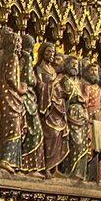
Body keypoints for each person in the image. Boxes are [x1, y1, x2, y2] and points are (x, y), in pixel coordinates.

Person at [0, 29, 24, 173]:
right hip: (11, 96)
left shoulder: (2, 56)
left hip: (5, 96)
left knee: (8, 125)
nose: (19, 45)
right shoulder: (12, 57)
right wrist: (20, 89)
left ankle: (6, 159)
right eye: (17, 42)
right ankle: (6, 159)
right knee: (14, 125)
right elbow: (12, 78)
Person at [36, 42, 67, 176]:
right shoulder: (38, 68)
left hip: (58, 106)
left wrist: (62, 90)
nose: (51, 55)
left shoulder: (53, 70)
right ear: (42, 52)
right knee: (51, 136)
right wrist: (54, 83)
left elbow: (58, 87)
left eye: (53, 52)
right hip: (47, 107)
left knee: (59, 137)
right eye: (48, 52)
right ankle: (47, 168)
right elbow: (39, 85)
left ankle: (55, 169)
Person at [61, 57, 91, 179]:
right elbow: (63, 96)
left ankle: (80, 173)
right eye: (72, 64)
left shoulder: (78, 82)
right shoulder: (64, 80)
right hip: (71, 113)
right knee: (75, 143)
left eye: (77, 64)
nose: (75, 66)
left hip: (81, 116)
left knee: (83, 144)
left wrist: (84, 109)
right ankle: (70, 172)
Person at [19, 34, 44, 174]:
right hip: (26, 95)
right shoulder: (26, 57)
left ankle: (30, 166)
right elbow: (29, 79)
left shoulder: (21, 57)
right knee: (34, 131)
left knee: (33, 130)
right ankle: (29, 166)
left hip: (28, 96)